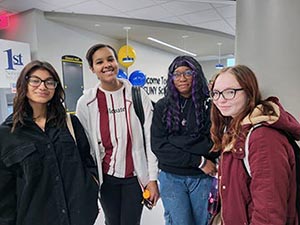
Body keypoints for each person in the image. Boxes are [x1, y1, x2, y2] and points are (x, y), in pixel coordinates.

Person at [0, 60, 99, 225]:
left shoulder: (70, 123)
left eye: (49, 82)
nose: (42, 86)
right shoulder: (7, 134)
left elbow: (86, 160)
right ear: (23, 84)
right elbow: (4, 193)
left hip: (79, 217)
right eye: (35, 80)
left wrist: (91, 186)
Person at [76, 43, 159, 225]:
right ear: (92, 69)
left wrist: (152, 179)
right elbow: (85, 146)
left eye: (110, 59)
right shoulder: (86, 102)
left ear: (117, 62)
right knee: (112, 221)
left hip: (135, 178)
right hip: (106, 179)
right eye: (99, 62)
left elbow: (150, 141)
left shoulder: (137, 95)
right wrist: (90, 183)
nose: (106, 65)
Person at [209, 65, 300, 225]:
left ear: (249, 92)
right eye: (216, 93)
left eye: (230, 92)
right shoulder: (234, 128)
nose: (220, 99)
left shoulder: (263, 138)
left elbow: (269, 214)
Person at [151, 55, 218, 225]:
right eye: (177, 74)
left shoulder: (210, 106)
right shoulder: (162, 106)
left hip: (202, 179)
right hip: (172, 177)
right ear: (171, 78)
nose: (182, 78)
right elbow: (159, 146)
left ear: (196, 75)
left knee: (204, 221)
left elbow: (212, 144)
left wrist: (174, 139)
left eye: (188, 73)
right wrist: (199, 161)